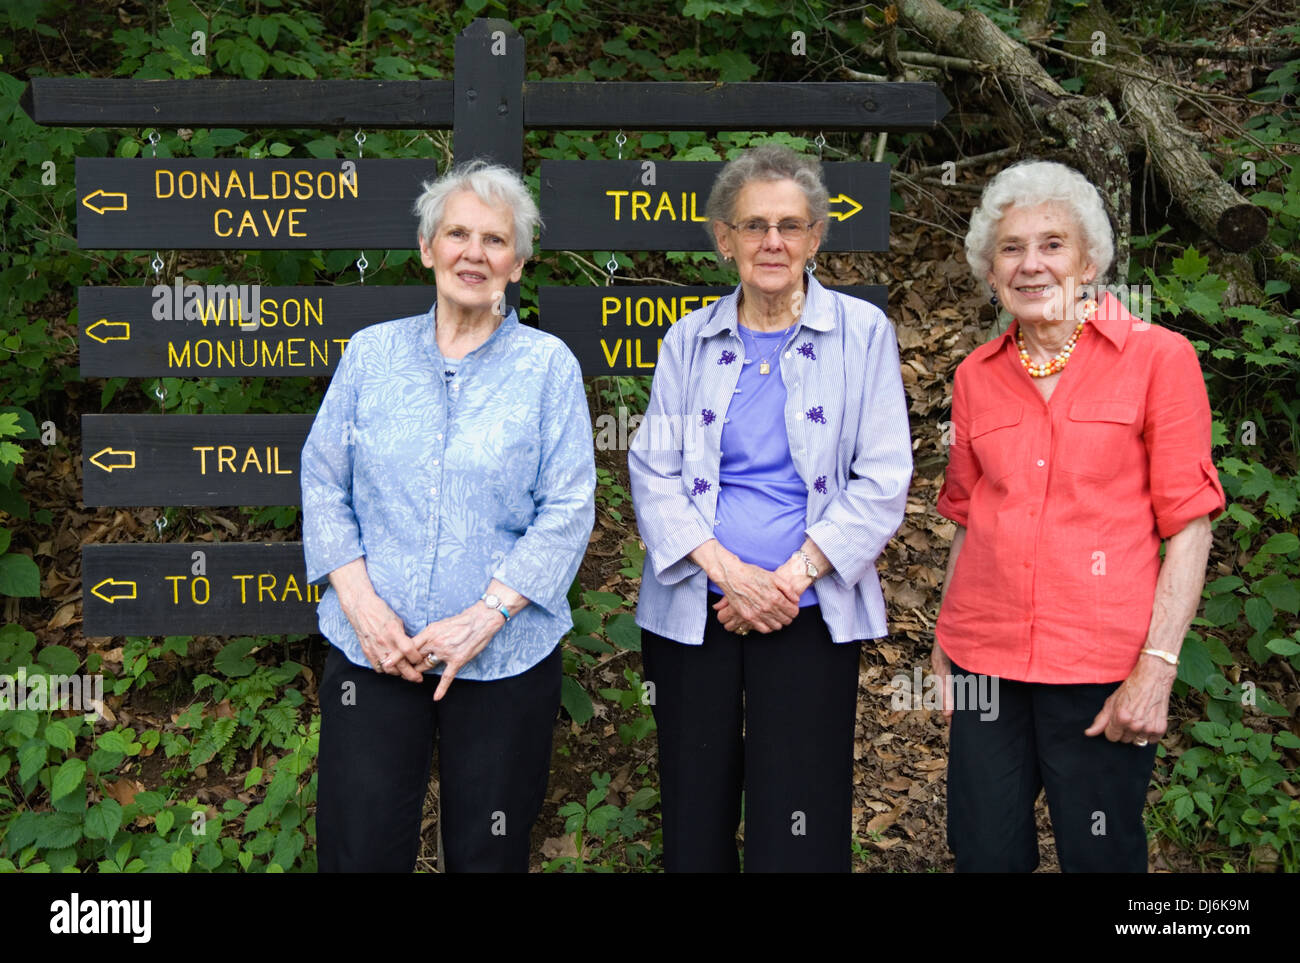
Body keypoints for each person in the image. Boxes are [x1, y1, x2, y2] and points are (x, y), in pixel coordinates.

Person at [301, 159, 595, 872]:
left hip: (504, 654)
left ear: (518, 263)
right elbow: (322, 478)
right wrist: (363, 605)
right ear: (427, 247)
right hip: (375, 650)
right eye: (457, 233)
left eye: (494, 240)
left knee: (488, 852)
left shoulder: (548, 368)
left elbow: (568, 508)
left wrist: (485, 616)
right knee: (360, 847)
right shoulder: (372, 355)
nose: (473, 252)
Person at [932, 159, 1225, 872]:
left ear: (1089, 260)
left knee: (1101, 855)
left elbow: (1188, 523)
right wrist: (945, 641)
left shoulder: (1160, 358)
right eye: (1011, 248)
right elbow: (970, 516)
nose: (1031, 264)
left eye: (1052, 244)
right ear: (990, 268)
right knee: (983, 851)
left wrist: (1156, 668)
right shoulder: (976, 374)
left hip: (1103, 665)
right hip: (988, 661)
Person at [628, 143, 913, 872]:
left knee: (801, 821)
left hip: (809, 611)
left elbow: (883, 475)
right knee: (694, 814)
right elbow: (652, 467)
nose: (773, 242)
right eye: (754, 226)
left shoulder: (861, 334)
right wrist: (729, 570)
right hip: (698, 607)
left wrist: (786, 580)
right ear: (725, 239)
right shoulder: (687, 339)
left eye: (790, 225)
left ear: (817, 236)